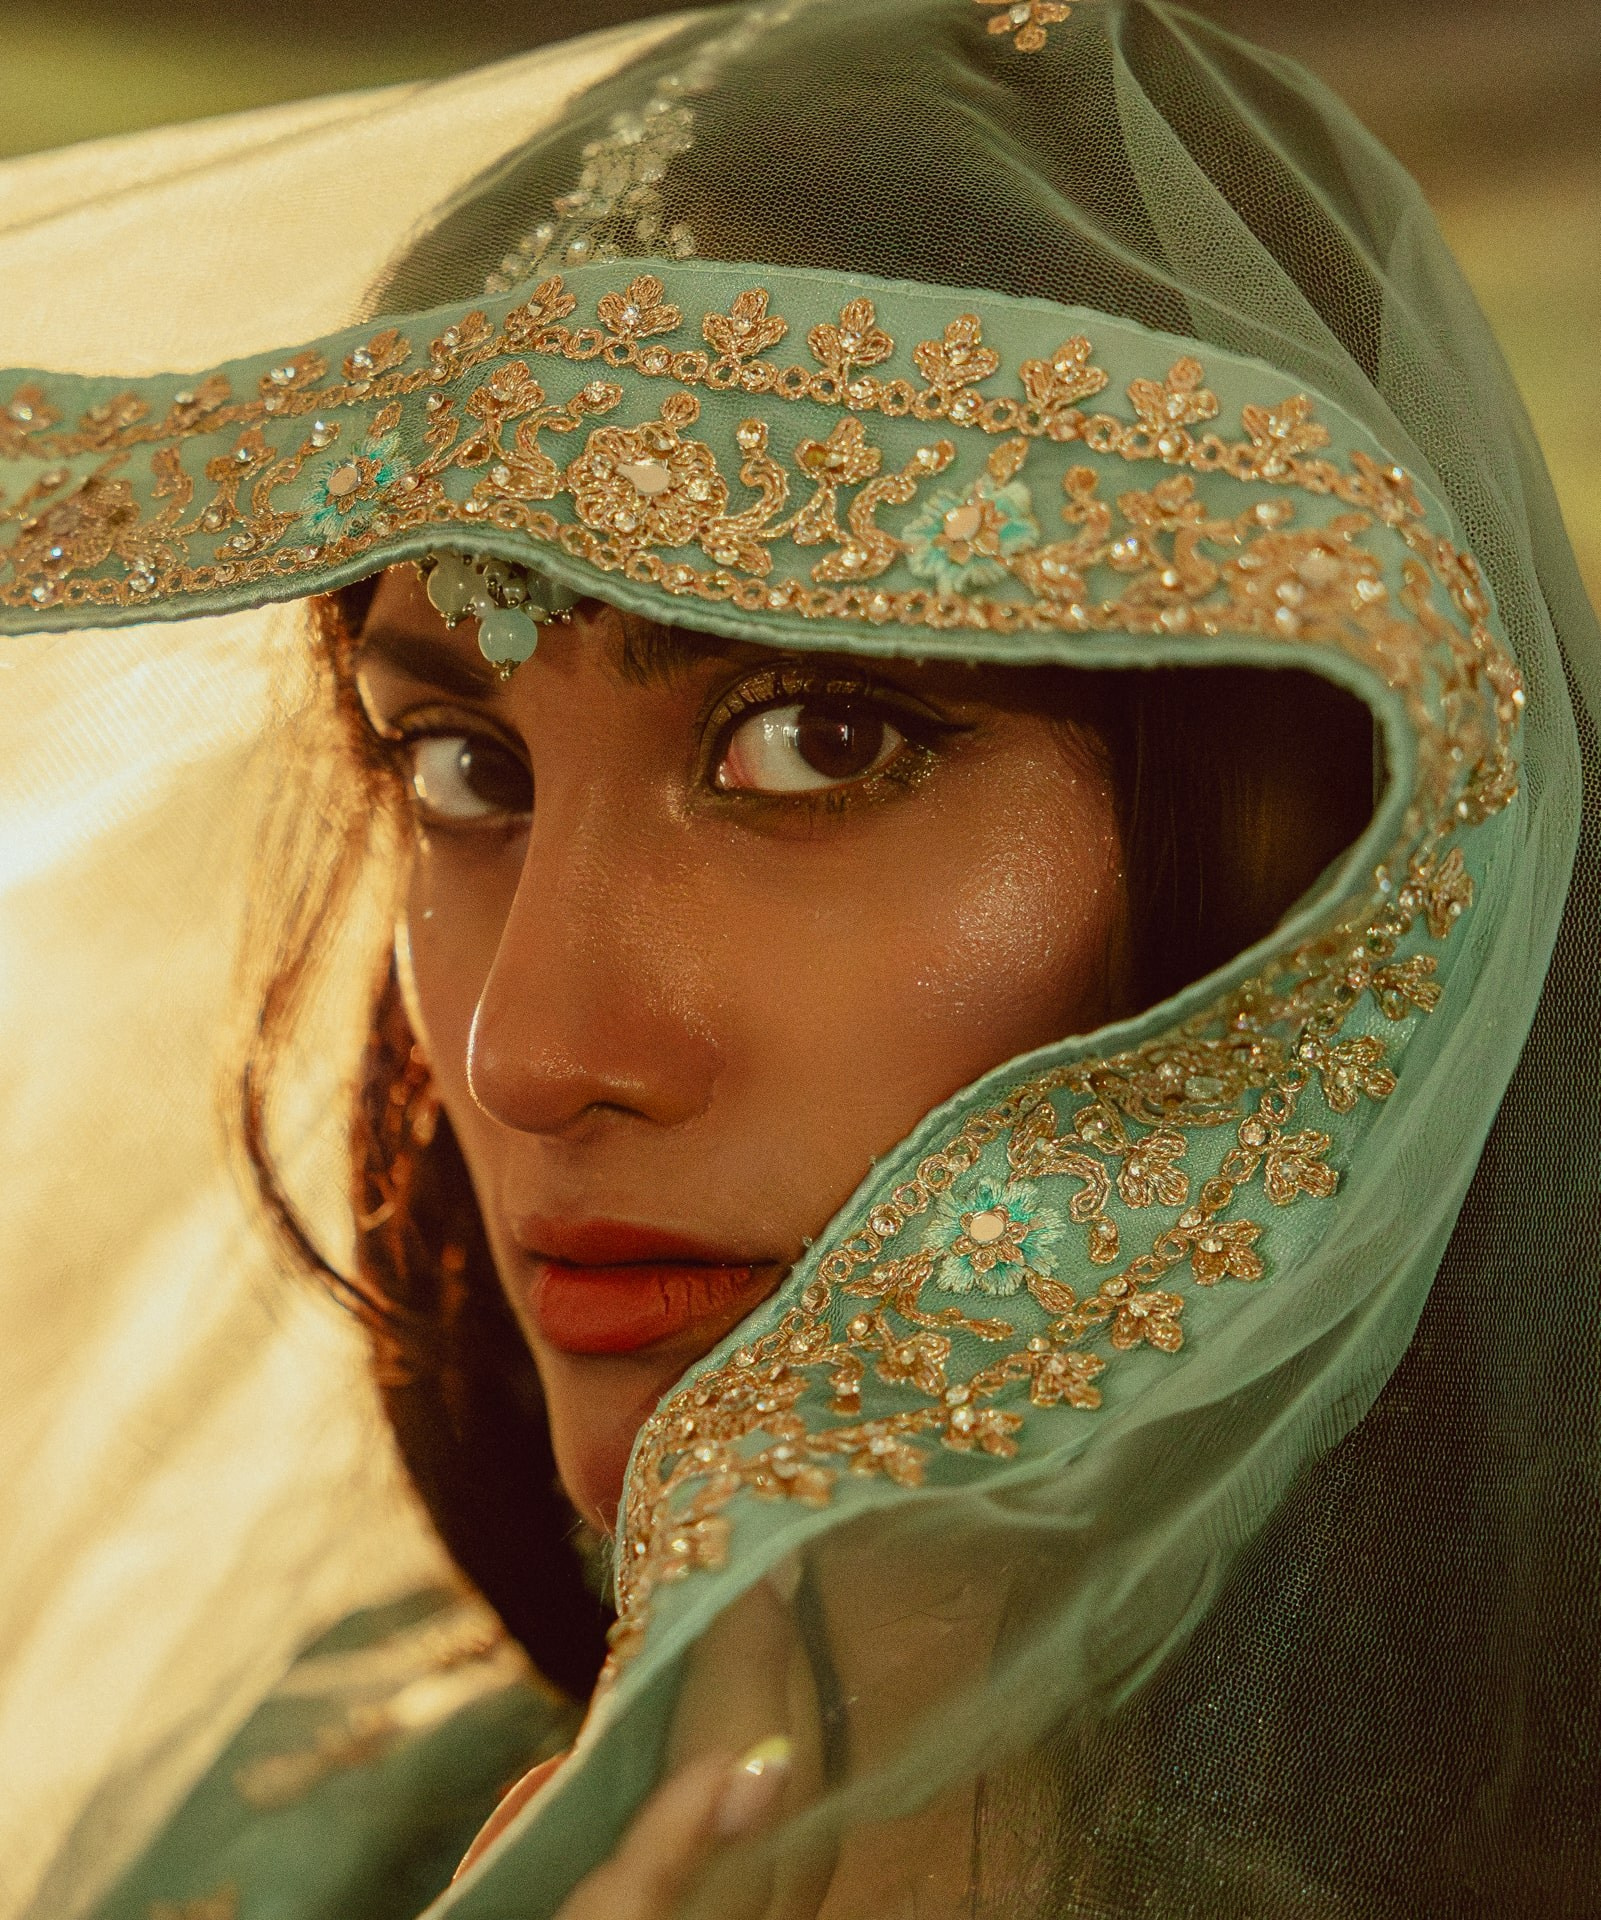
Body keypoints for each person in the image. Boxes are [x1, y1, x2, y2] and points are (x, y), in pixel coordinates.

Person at [1, 1, 1596, 1916]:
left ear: (1316, 845)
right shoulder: (278, 1842)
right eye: (459, 767)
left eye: (819, 740)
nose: (525, 1052)